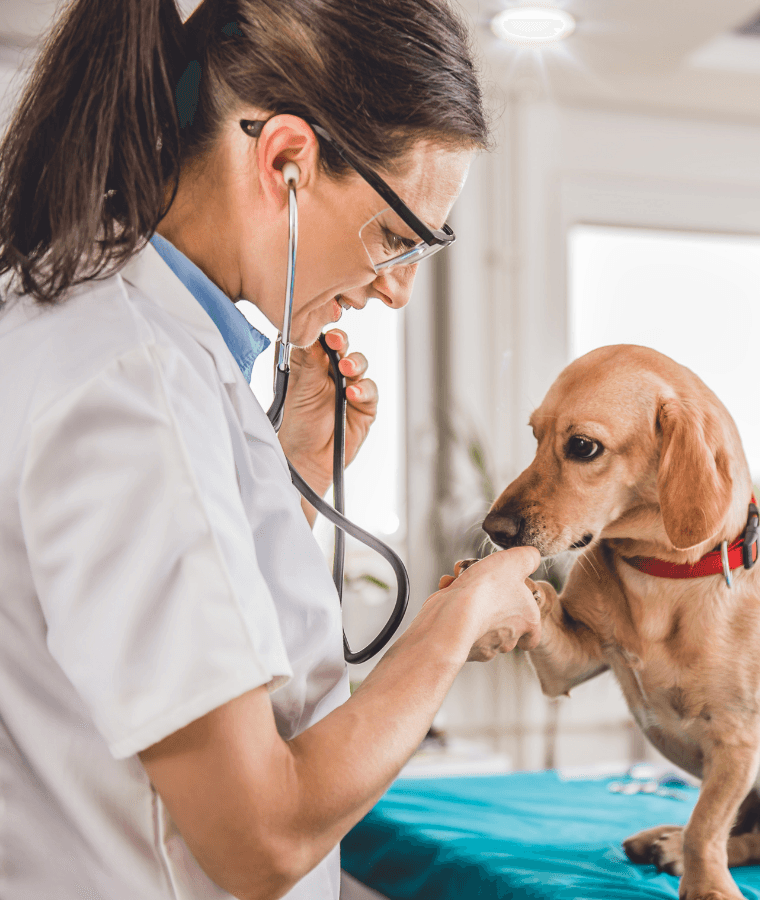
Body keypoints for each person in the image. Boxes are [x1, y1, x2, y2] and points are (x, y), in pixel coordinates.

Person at [0, 1, 541, 898]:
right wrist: (455, 623)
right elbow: (258, 835)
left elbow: (146, 628)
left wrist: (292, 474)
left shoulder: (82, 325)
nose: (398, 291)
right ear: (286, 159)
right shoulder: (134, 386)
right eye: (395, 237)